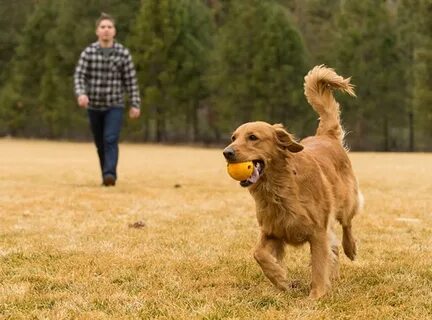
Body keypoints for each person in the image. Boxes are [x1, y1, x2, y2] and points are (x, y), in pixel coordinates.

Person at [74, 13, 141, 186]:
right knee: (100, 142)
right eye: (103, 27)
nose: (106, 30)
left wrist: (135, 103)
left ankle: (110, 174)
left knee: (110, 138)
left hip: (114, 105)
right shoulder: (88, 52)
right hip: (94, 106)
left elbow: (130, 80)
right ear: (97, 31)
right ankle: (106, 171)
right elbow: (79, 76)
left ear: (114, 31)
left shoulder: (123, 54)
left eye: (109, 27)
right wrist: (81, 93)